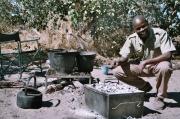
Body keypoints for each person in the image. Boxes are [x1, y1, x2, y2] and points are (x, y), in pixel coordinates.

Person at [111, 15, 176, 110]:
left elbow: (168, 55)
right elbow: (124, 57)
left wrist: (146, 62)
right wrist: (118, 60)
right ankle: (144, 87)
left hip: (159, 65)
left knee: (165, 67)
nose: (141, 30)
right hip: (143, 67)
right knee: (117, 71)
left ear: (148, 24)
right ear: (134, 29)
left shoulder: (160, 33)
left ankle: (160, 98)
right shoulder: (132, 38)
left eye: (143, 26)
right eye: (138, 28)